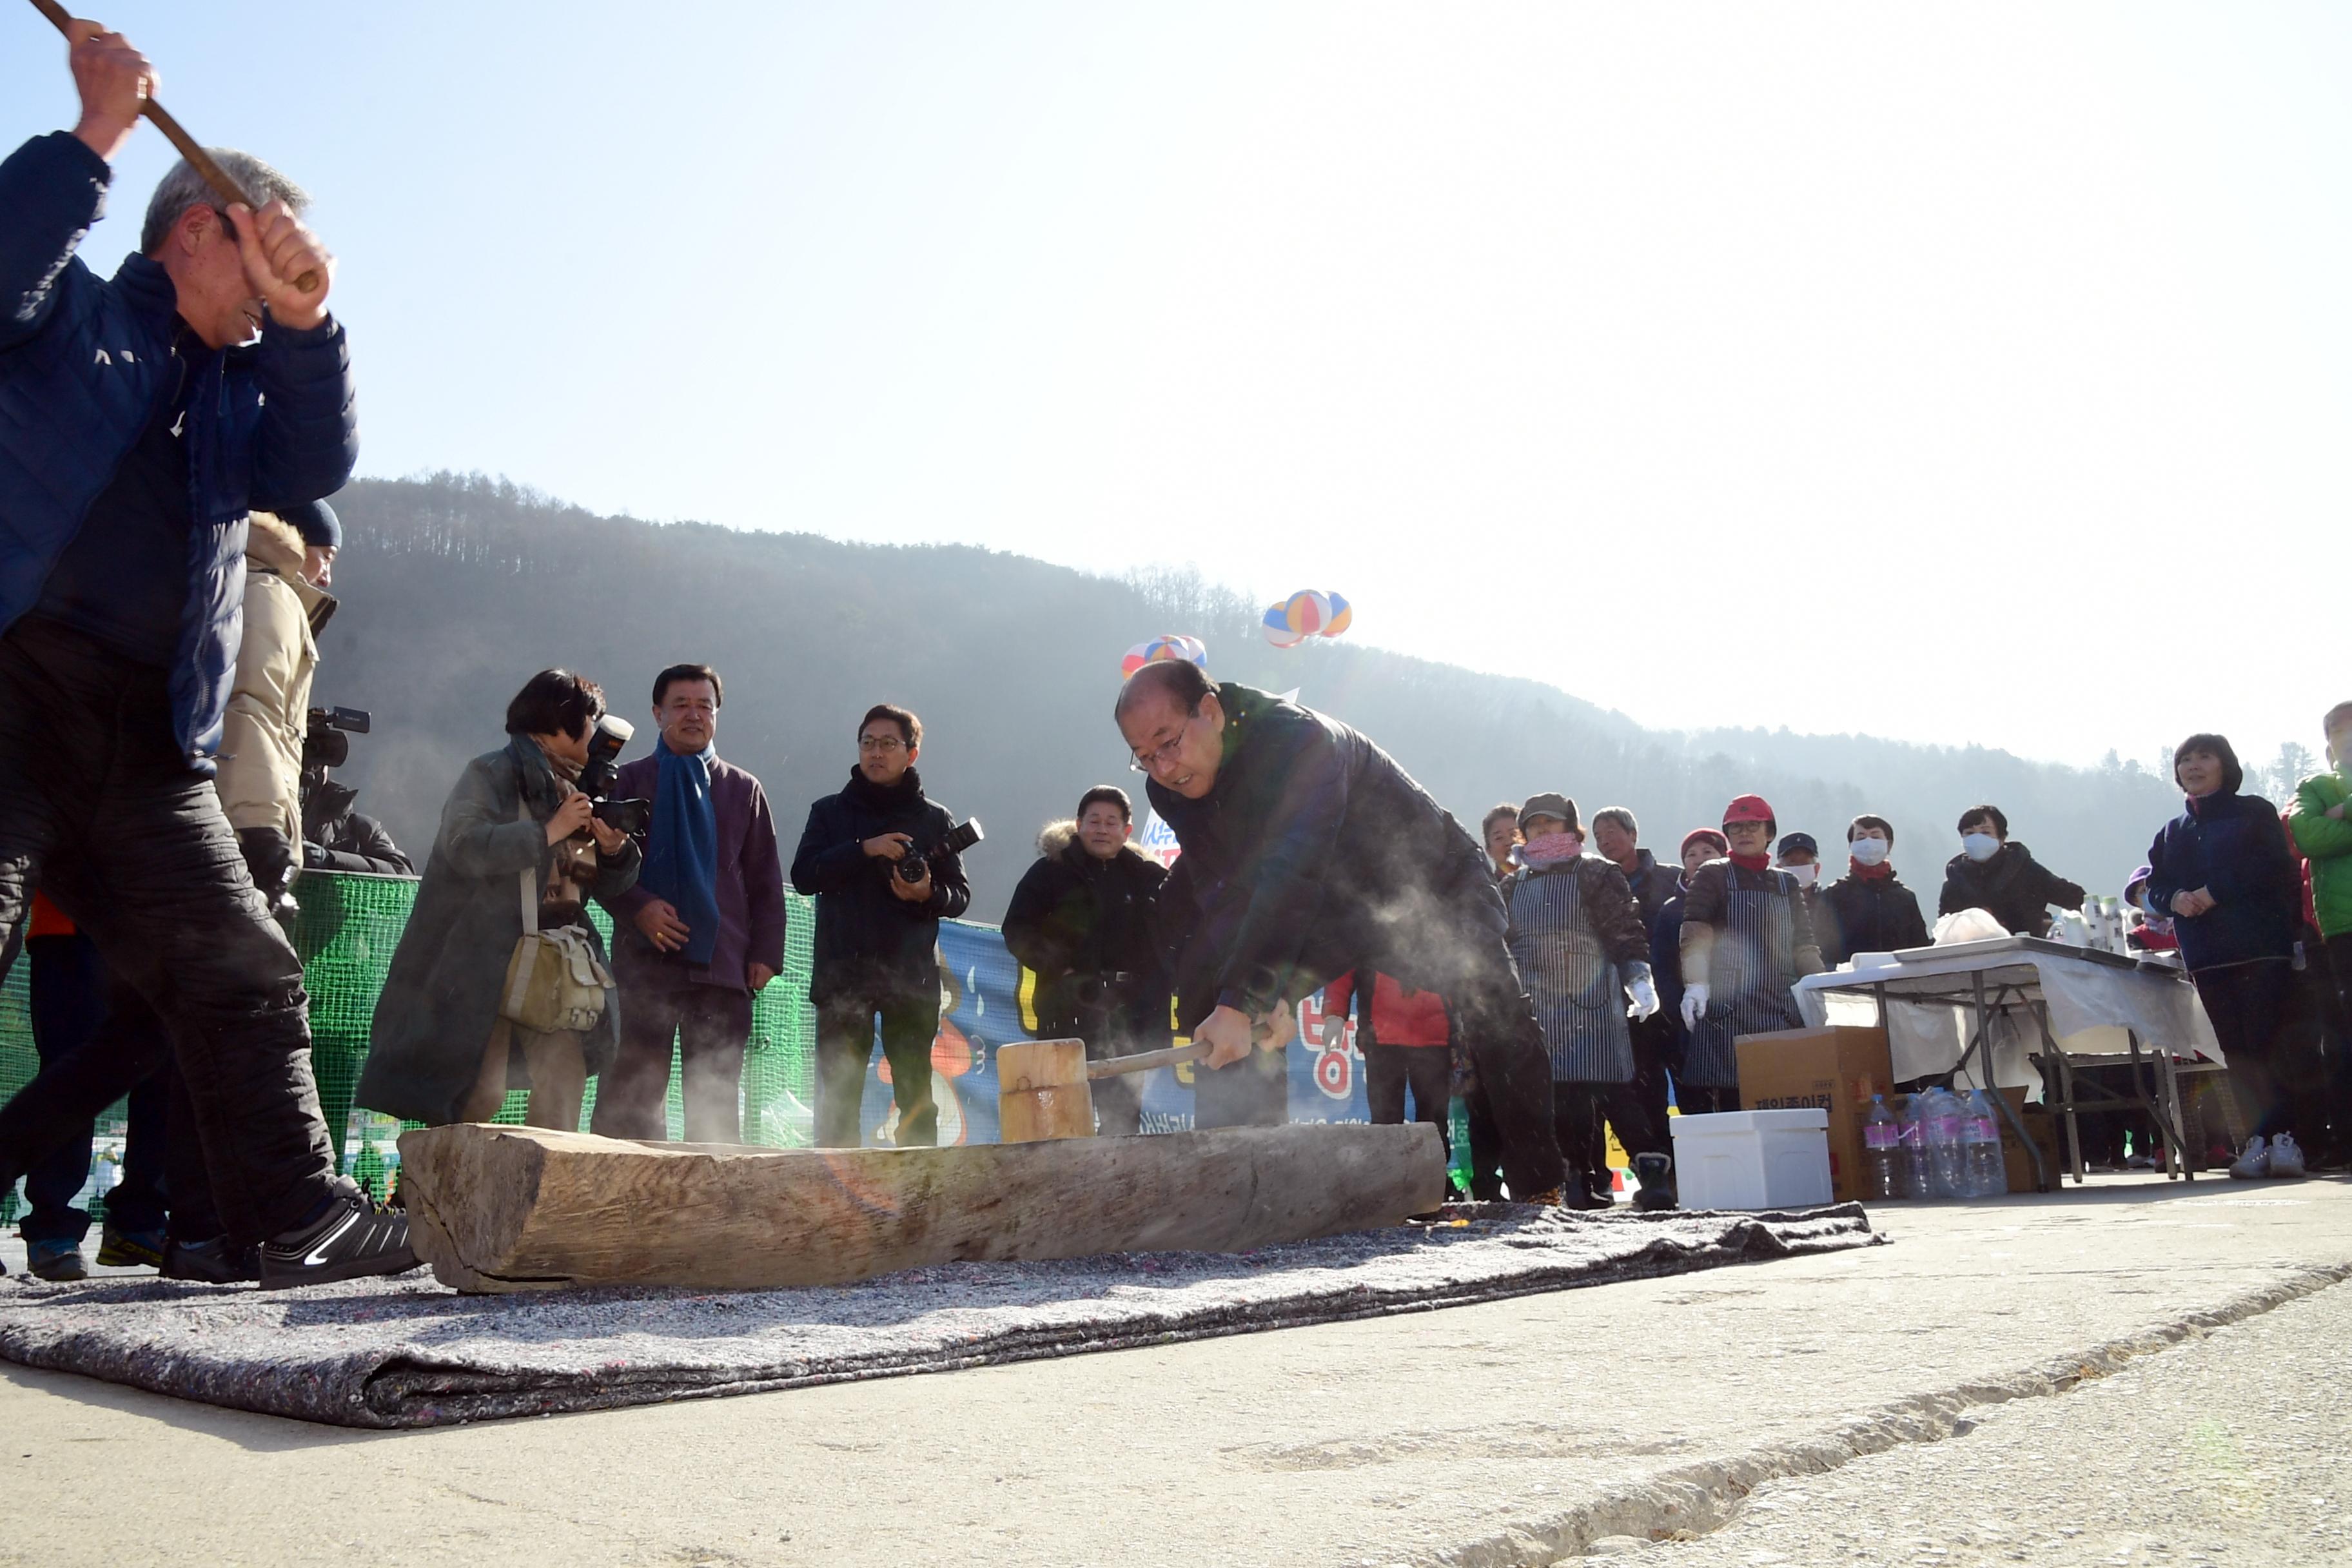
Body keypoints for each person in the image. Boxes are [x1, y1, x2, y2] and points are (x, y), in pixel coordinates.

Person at [0, 26, 412, 1285]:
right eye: (266, 241)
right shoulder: (71, 315)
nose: (281, 265)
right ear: (195, 230)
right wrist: (94, 137)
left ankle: (291, 1216)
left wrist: (308, 323)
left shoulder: (238, 406)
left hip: (155, 741)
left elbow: (315, 468)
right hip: (15, 692)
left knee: (241, 969)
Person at [1114, 662, 1567, 1201]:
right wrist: (1260, 999)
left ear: (1209, 711)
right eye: (1145, 758)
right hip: (1331, 910)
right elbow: (1229, 892)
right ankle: (1245, 1188)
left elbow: (1290, 873)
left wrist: (1248, 998)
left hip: (1429, 885)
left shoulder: (1301, 742)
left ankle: (1541, 1187)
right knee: (1218, 977)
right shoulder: (1171, 791)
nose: (1164, 768)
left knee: (1495, 1007)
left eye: (1168, 742)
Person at [359, 671, 640, 1131]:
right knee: (479, 1093)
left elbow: (604, 885)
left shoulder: (583, 788)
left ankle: (545, 1197)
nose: (598, 734)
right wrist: (551, 830)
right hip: (483, 962)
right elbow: (464, 847)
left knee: (563, 1083)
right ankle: (435, 1194)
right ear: (558, 721)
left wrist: (614, 850)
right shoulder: (490, 772)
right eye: (591, 720)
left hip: (556, 963)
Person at [593, 665, 787, 1145]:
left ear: (717, 715)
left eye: (705, 705)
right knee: (630, 1098)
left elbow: (765, 881)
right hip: (644, 967)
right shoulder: (627, 781)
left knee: (715, 1101)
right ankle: (624, 1209)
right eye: (681, 705)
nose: (694, 715)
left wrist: (766, 953)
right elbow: (593, 865)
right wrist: (638, 907)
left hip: (724, 968)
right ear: (658, 714)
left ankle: (716, 1214)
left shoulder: (744, 789)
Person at [791, 704, 973, 1148]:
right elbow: (803, 876)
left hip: (911, 982)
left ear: (912, 754)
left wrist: (927, 893)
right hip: (842, 979)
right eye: (868, 742)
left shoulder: (934, 819)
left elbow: (960, 896)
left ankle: (917, 1197)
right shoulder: (830, 812)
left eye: (888, 744)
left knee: (916, 1096)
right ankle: (832, 1202)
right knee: (838, 1096)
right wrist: (864, 849)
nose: (876, 752)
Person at [2146, 734, 2306, 1179]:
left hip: (2260, 948)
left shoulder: (2254, 811)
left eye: (2204, 756)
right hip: (2207, 954)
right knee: (2235, 1052)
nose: (2193, 766)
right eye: (2185, 759)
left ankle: (2286, 1141)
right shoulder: (2171, 831)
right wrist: (2174, 897)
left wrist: (2214, 892)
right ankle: (2254, 1142)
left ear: (2225, 765)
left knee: (2269, 1042)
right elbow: (2154, 886)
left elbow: (2274, 864)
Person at [1503, 794, 1669, 1210]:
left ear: (1570, 829)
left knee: (1615, 1092)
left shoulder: (1596, 872)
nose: (1543, 830)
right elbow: (1501, 945)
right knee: (1557, 1097)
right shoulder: (1511, 884)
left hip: (1592, 1000)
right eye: (1535, 825)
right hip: (1538, 1006)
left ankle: (1653, 1177)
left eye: (1551, 824)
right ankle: (1577, 1181)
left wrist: (1638, 977)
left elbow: (1623, 928)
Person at [10, 897, 167, 1280]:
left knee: (166, 1068)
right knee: (71, 1069)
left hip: (161, 922)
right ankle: (51, 1226)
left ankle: (138, 1220)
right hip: (71, 920)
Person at [1001, 785, 1171, 1137]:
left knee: (1123, 1120)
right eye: (1094, 820)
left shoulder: (1146, 877)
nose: (1102, 829)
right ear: (1078, 825)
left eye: (1112, 822)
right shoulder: (1050, 872)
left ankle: (1121, 1186)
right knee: (1062, 1115)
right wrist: (1059, 968)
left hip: (1129, 1014)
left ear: (1127, 830)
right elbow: (1017, 928)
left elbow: (1172, 937)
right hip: (1067, 1011)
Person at [215, 501, 342, 915]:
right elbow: (252, 710)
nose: (327, 575)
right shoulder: (269, 595)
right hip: (235, 834)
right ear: (298, 543)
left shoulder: (232, 578)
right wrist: (265, 833)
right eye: (326, 557)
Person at [1676, 796, 1824, 1113]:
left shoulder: (1786, 883)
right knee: (1735, 1102)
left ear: (1769, 832)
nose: (1744, 833)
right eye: (1736, 827)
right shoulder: (1712, 875)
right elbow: (1695, 931)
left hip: (1779, 1007)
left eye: (1753, 826)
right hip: (1729, 1009)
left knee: (1785, 1095)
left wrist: (1819, 989)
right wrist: (1696, 983)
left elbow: (1803, 944)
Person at [1590, 807, 1681, 1186]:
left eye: (1612, 831)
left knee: (1671, 1089)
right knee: (1632, 1088)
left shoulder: (1668, 879)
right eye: (1598, 836)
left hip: (1668, 1002)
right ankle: (1654, 1170)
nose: (1605, 840)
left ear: (1633, 833)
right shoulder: (1593, 883)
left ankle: (1679, 1167)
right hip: (1616, 1006)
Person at [1321, 968, 1450, 1144]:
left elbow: (1464, 969)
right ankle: (1388, 1170)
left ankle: (1434, 1170)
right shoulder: (1367, 939)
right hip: (1382, 1036)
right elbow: (1344, 965)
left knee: (1435, 1121)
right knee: (1385, 1121)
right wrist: (1334, 1014)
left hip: (1435, 1035)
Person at [2288, 701, 2352, 1023]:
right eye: (2339, 731)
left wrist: (2342, 810)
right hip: (2344, 922)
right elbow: (2309, 837)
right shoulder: (2315, 786)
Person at [1937, 805, 2086, 939]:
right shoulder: (1955, 881)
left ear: (2002, 838)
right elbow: (1944, 930)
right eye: (1969, 833)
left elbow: (2074, 897)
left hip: (2028, 956)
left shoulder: (2026, 870)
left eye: (1985, 833)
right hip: (1975, 960)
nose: (1977, 839)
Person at [1651, 828, 1728, 1070]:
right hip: (1688, 1020)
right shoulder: (1671, 910)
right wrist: (1677, 1007)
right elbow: (1661, 965)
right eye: (1691, 855)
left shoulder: (1737, 900)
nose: (1700, 859)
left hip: (1737, 1014)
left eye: (1708, 851)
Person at [1815, 815, 1931, 966]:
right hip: (1849, 985)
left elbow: (1919, 948)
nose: (1868, 843)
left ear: (1889, 846)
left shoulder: (1905, 898)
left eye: (1875, 837)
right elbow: (1823, 950)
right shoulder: (1834, 895)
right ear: (1851, 846)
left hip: (1900, 983)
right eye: (1861, 837)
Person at [1482, 804, 1522, 885]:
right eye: (1499, 838)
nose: (1509, 842)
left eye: (1514, 834)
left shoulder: (1547, 878)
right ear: (1488, 850)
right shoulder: (1487, 890)